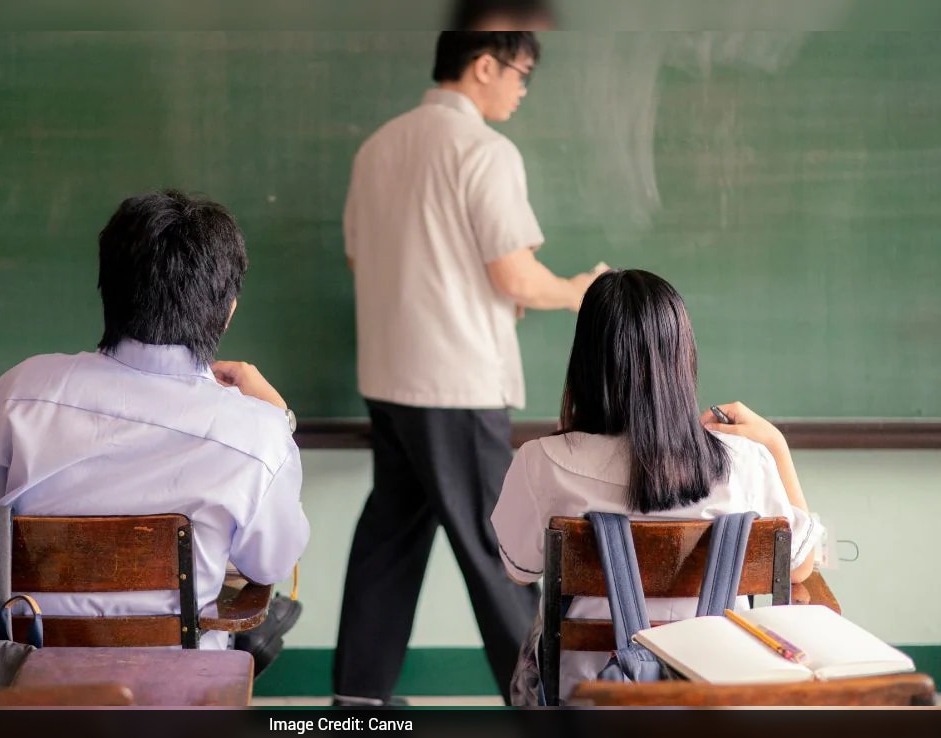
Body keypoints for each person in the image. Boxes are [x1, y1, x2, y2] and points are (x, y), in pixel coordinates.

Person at [334, 31, 608, 706]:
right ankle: (542, 701)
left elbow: (359, 259)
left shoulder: (378, 146)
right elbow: (514, 272)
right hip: (455, 383)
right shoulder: (484, 150)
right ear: (483, 65)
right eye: (519, 73)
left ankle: (357, 703)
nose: (520, 88)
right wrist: (579, 290)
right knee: (501, 550)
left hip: (389, 378)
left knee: (389, 541)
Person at [0, 190, 310, 650]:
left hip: (32, 682)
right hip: (177, 699)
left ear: (107, 286)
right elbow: (270, 566)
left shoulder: (21, 392)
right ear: (227, 311)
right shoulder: (256, 434)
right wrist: (279, 418)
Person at [491, 269, 822, 703]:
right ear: (682, 358)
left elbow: (519, 570)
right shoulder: (745, 460)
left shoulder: (541, 461)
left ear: (585, 362)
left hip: (590, 697)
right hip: (721, 698)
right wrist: (776, 444)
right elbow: (800, 566)